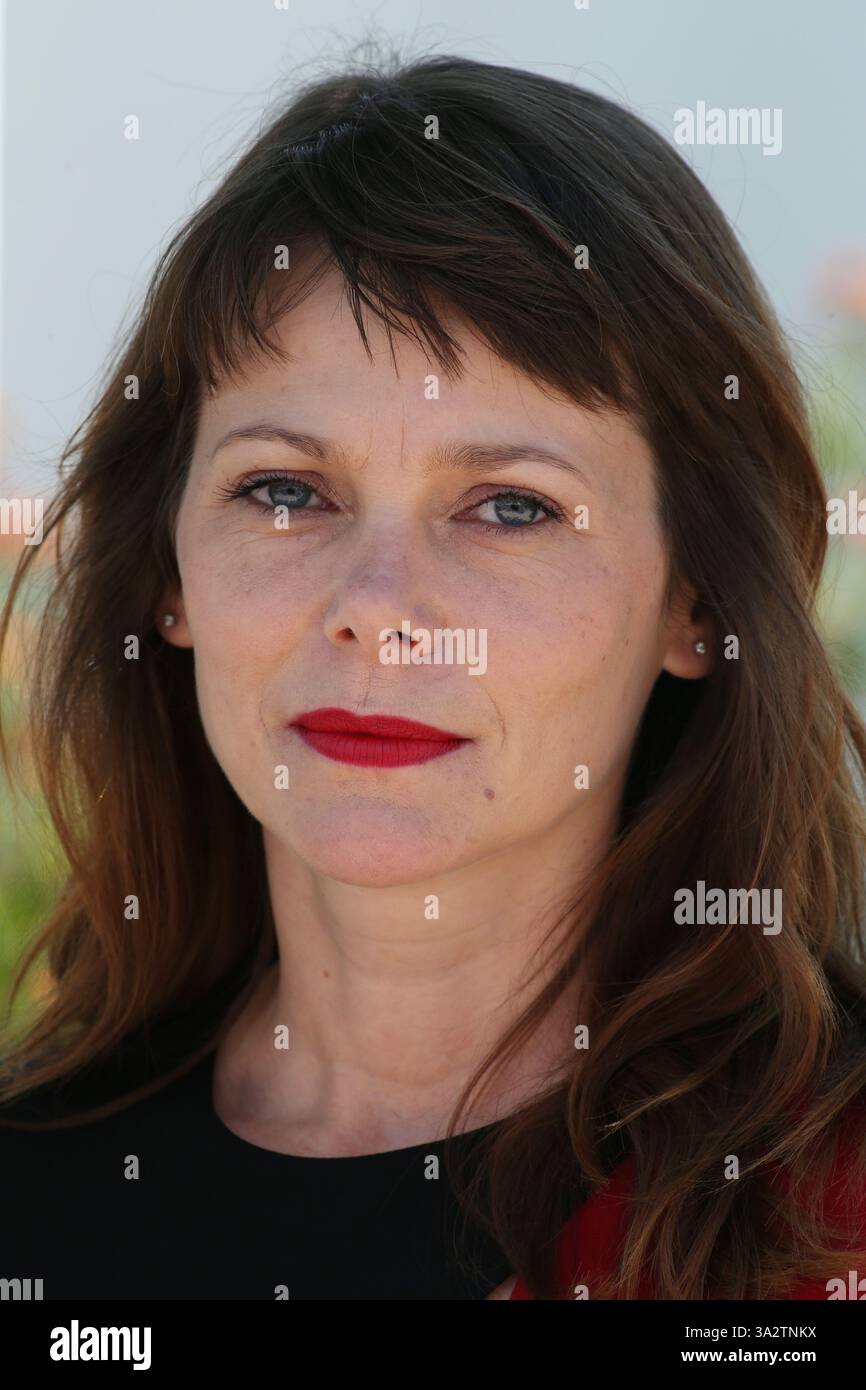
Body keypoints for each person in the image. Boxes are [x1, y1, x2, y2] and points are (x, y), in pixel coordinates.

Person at [1, 51, 865, 1302]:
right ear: (167, 577)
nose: (376, 613)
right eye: (285, 490)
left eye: (510, 506)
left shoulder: (830, 1215)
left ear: (699, 602)